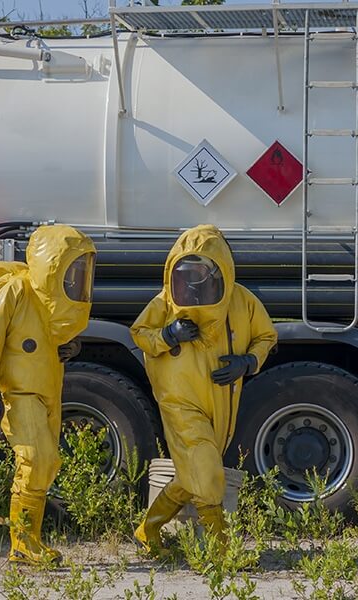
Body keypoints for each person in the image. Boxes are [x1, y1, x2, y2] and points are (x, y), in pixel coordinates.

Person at [0, 224, 96, 565]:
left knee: (45, 464)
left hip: (46, 390)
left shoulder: (49, 302)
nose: (76, 277)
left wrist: (67, 347)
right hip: (18, 393)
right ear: (52, 266)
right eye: (70, 269)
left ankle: (30, 539)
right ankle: (22, 543)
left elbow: (43, 341)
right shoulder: (14, 290)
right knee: (35, 460)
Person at [130, 224, 277, 553]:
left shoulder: (242, 300)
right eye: (188, 267)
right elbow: (140, 334)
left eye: (203, 267)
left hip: (220, 403)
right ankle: (219, 550)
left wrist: (248, 362)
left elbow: (266, 336)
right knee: (207, 472)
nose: (194, 275)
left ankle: (147, 530)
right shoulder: (165, 302)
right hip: (179, 399)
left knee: (191, 472)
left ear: (219, 268)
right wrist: (167, 335)